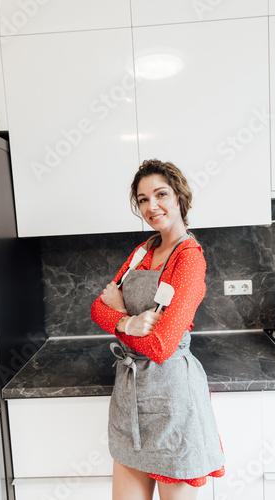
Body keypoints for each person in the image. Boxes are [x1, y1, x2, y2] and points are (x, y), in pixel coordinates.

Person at [91, 159, 225, 500]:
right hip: (129, 399)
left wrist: (119, 312)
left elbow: (162, 346)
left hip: (172, 402)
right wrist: (128, 322)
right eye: (143, 199)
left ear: (179, 197)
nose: (152, 206)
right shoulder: (143, 251)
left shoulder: (189, 259)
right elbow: (96, 307)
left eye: (160, 194)